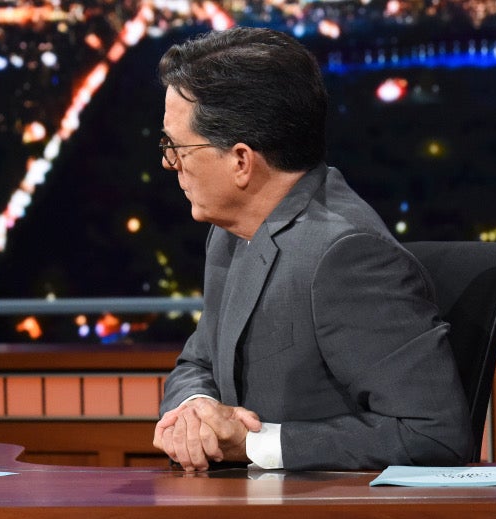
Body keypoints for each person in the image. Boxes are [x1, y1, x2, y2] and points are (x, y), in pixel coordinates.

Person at [150, 27, 472, 472]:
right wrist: (196, 409)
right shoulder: (230, 232)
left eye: (178, 148)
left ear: (241, 161)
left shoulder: (347, 255)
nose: (170, 164)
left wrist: (252, 444)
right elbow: (197, 359)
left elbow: (433, 433)